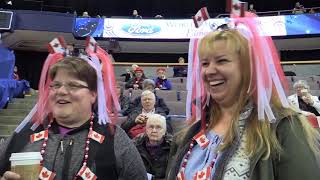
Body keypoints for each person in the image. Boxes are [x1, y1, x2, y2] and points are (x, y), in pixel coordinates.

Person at [166, 29, 320, 179]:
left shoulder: (284, 127)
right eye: (205, 63)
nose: (209, 71)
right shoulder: (191, 131)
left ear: (248, 68)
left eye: (222, 60)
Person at [0, 57, 147, 179]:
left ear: (93, 94)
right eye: (55, 85)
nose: (61, 91)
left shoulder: (115, 139)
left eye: (73, 85)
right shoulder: (24, 135)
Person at [134, 114, 172, 180]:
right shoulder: (135, 144)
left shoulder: (173, 146)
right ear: (146, 129)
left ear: (164, 131)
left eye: (158, 127)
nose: (154, 130)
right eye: (151, 127)